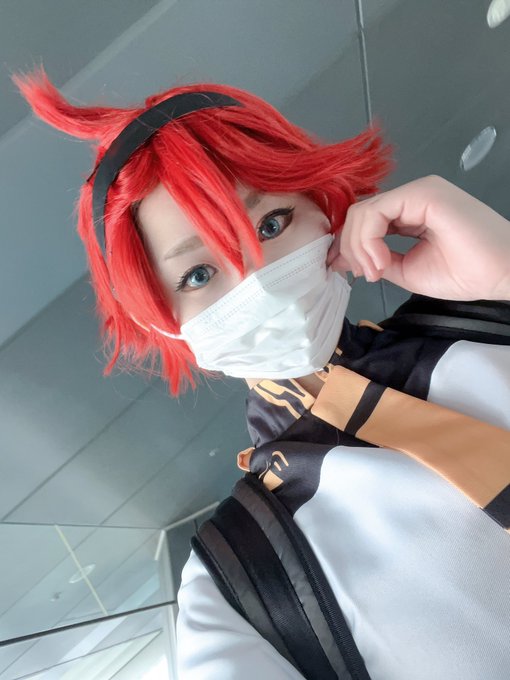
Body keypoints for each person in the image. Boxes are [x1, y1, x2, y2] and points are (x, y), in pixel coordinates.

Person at [13, 67, 510, 680]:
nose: (259, 283)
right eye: (198, 275)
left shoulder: (485, 321)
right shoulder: (240, 583)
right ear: (163, 322)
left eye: (272, 224)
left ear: (323, 207)